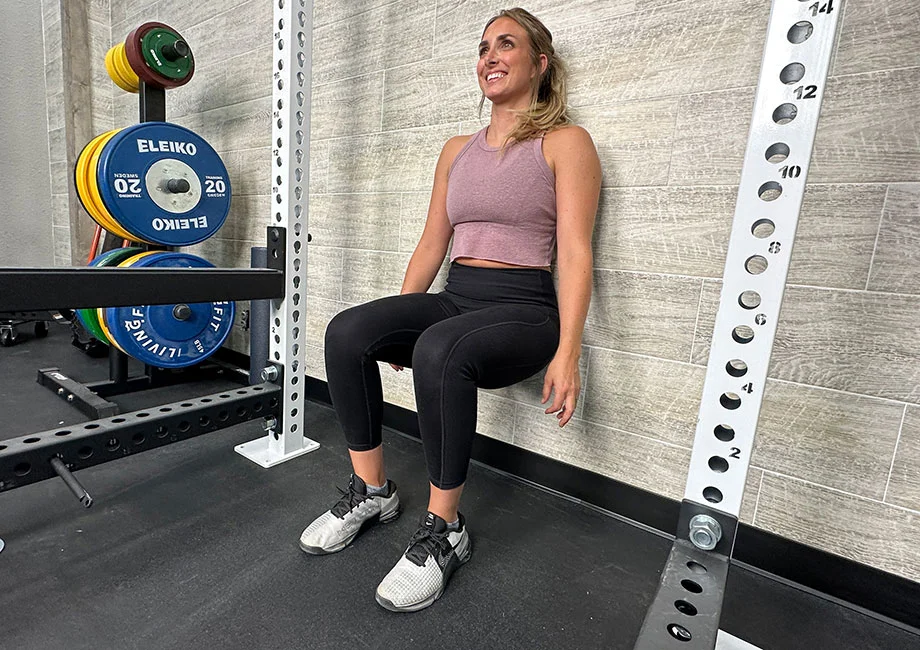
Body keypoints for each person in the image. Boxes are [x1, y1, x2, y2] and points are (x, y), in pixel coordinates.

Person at [298, 7, 601, 613]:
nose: (490, 56)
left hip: (525, 308)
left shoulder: (565, 143)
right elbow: (433, 242)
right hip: (459, 296)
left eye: (506, 45)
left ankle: (445, 531)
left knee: (441, 349)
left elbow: (574, 252)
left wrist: (568, 351)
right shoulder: (456, 150)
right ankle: (372, 489)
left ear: (540, 64)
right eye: (483, 46)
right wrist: (401, 319)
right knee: (349, 330)